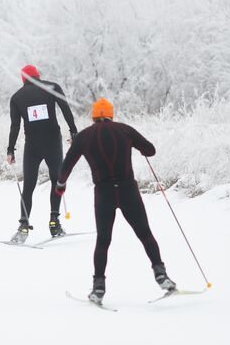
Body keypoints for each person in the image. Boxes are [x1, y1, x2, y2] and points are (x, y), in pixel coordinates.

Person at [54, 98, 177, 305]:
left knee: (103, 240)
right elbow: (150, 150)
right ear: (111, 115)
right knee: (145, 234)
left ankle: (98, 288)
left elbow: (66, 165)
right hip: (129, 191)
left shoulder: (84, 137)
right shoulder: (124, 130)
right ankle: (161, 275)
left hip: (104, 194)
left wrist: (60, 185)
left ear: (93, 116)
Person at [6, 64, 78, 242]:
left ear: (23, 79)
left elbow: (15, 126)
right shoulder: (52, 87)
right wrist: (74, 132)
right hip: (52, 142)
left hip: (33, 145)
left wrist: (10, 150)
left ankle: (23, 225)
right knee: (57, 181)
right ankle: (54, 222)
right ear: (38, 76)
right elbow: (65, 108)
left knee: (28, 186)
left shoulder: (16, 97)